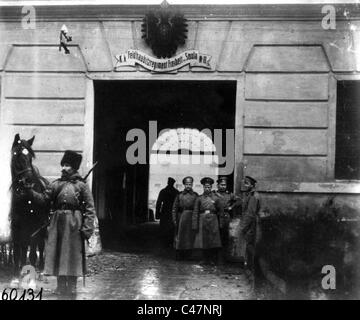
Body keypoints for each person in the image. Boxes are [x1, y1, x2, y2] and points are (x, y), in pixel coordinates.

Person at [28, 150, 96, 296]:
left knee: (72, 255)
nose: (63, 168)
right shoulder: (56, 185)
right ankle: (60, 285)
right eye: (63, 165)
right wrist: (30, 192)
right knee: (58, 253)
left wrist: (87, 228)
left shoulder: (82, 186)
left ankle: (71, 286)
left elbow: (90, 208)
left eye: (67, 165)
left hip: (74, 224)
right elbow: (43, 199)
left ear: (74, 168)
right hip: (57, 223)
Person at [193, 177, 224, 265]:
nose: (207, 189)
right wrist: (195, 224)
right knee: (203, 240)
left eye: (209, 187)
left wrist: (221, 224)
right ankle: (204, 259)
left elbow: (221, 211)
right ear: (203, 187)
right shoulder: (199, 198)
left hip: (213, 220)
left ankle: (211, 259)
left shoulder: (216, 198)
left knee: (212, 240)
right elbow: (195, 211)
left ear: (211, 187)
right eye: (206, 187)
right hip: (202, 219)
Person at [172, 176, 198, 260]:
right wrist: (174, 219)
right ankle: (180, 255)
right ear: (184, 184)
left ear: (192, 184)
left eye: (190, 184)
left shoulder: (195, 195)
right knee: (180, 237)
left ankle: (189, 255)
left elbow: (197, 208)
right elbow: (174, 208)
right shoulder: (179, 195)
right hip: (181, 218)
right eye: (186, 184)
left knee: (190, 237)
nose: (188, 186)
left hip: (191, 218)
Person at [213, 176, 238, 262]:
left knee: (224, 237)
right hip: (216, 217)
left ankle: (223, 258)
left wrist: (231, 207)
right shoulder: (214, 194)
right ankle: (215, 257)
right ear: (218, 185)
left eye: (224, 185)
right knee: (215, 237)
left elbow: (238, 201)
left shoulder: (229, 195)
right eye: (221, 185)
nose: (223, 186)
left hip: (225, 217)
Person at [239, 175, 261, 271]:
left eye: (247, 184)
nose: (245, 185)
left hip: (251, 225)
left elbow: (250, 214)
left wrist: (243, 227)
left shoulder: (254, 196)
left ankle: (251, 269)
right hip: (250, 224)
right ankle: (249, 268)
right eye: (245, 183)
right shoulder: (249, 195)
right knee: (249, 245)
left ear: (252, 185)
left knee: (250, 246)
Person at [155, 177, 179, 247]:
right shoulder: (176, 192)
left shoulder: (163, 191)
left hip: (165, 211)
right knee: (171, 227)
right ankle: (169, 242)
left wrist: (157, 214)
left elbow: (159, 203)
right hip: (172, 212)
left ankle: (164, 243)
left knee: (164, 227)